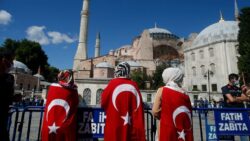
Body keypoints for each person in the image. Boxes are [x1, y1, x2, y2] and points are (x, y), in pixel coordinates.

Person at [101, 62, 146, 141]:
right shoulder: (134, 85)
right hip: (131, 127)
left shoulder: (112, 84)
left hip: (114, 124)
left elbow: (103, 102)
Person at [152, 67, 193, 141]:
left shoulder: (162, 90)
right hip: (181, 129)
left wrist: (164, 115)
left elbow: (155, 111)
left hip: (166, 126)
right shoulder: (185, 93)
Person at [41, 70, 79, 141]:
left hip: (48, 126)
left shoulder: (52, 87)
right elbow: (76, 102)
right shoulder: (73, 90)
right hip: (65, 127)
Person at [221, 73, 250, 141]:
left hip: (240, 114)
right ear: (232, 79)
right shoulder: (225, 88)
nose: (237, 81)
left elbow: (247, 99)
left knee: (244, 134)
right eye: (236, 79)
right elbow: (231, 99)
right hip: (230, 114)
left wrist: (237, 97)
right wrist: (240, 98)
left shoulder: (239, 88)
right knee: (230, 135)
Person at [0, 49, 14, 141]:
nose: (12, 63)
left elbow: (8, 97)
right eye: (10, 60)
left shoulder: (9, 78)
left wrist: (14, 98)